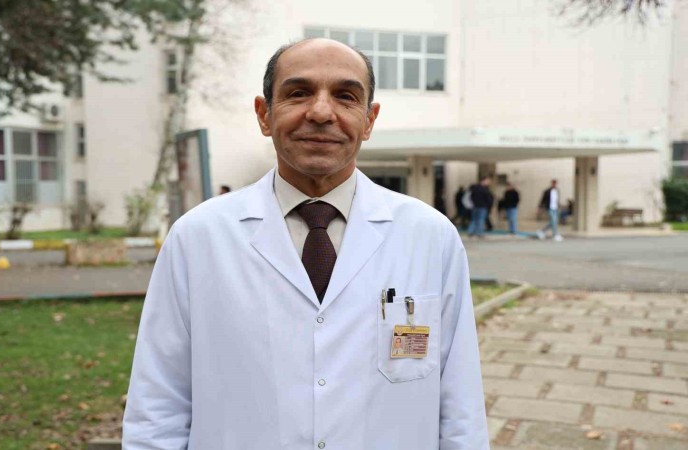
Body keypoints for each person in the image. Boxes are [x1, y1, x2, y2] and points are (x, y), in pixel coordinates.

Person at [123, 38, 489, 450]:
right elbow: (157, 404)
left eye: (345, 96)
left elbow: (460, 405)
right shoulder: (198, 238)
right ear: (264, 114)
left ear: (369, 120)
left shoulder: (430, 237)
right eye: (298, 93)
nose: (320, 113)